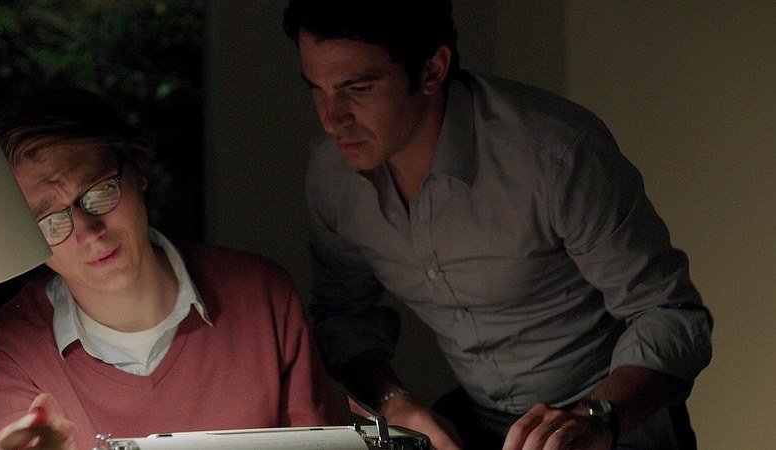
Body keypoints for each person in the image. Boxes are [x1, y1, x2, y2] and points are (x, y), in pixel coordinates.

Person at [282, 1, 713, 449]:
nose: (331, 118)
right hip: (477, 422)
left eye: (358, 89)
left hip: (613, 418)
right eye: (317, 90)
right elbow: (343, 316)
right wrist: (394, 404)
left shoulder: (555, 156)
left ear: (431, 71)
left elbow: (668, 316)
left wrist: (596, 418)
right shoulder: (332, 178)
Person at [0, 87, 342, 450]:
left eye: (98, 192)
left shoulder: (262, 297)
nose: (89, 232)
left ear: (139, 174)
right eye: (49, 220)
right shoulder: (10, 352)